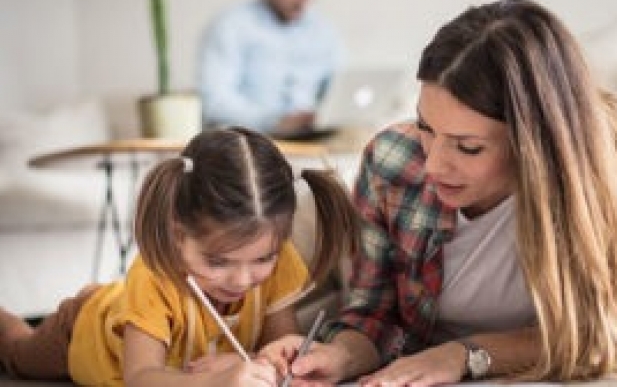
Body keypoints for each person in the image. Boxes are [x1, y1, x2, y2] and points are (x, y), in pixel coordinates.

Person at [261, 0, 617, 386]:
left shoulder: (597, 174)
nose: (434, 164)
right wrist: (340, 357)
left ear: (532, 143)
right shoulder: (392, 163)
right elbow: (374, 313)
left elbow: (596, 335)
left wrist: (463, 355)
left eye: (467, 147)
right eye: (426, 128)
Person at [0, 127, 360, 386]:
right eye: (218, 261)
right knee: (16, 353)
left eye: (262, 258)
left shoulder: (280, 263)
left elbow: (275, 347)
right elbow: (141, 377)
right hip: (83, 333)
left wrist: (281, 363)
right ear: (177, 234)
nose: (242, 280)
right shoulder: (154, 275)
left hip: (133, 317)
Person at [197, 0, 341, 135]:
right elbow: (214, 102)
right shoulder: (230, 26)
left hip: (313, 144)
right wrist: (275, 122)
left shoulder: (323, 31)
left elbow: (338, 89)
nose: (303, 1)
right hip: (251, 146)